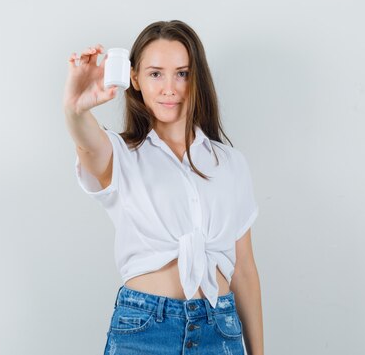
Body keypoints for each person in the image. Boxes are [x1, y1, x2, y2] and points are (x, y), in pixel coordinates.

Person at [63, 20, 264, 355]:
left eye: (182, 73)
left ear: (197, 78)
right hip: (144, 330)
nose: (170, 88)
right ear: (135, 79)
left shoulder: (230, 164)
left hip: (220, 331)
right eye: (156, 73)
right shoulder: (120, 155)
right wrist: (75, 109)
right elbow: (87, 145)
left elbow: (244, 270)